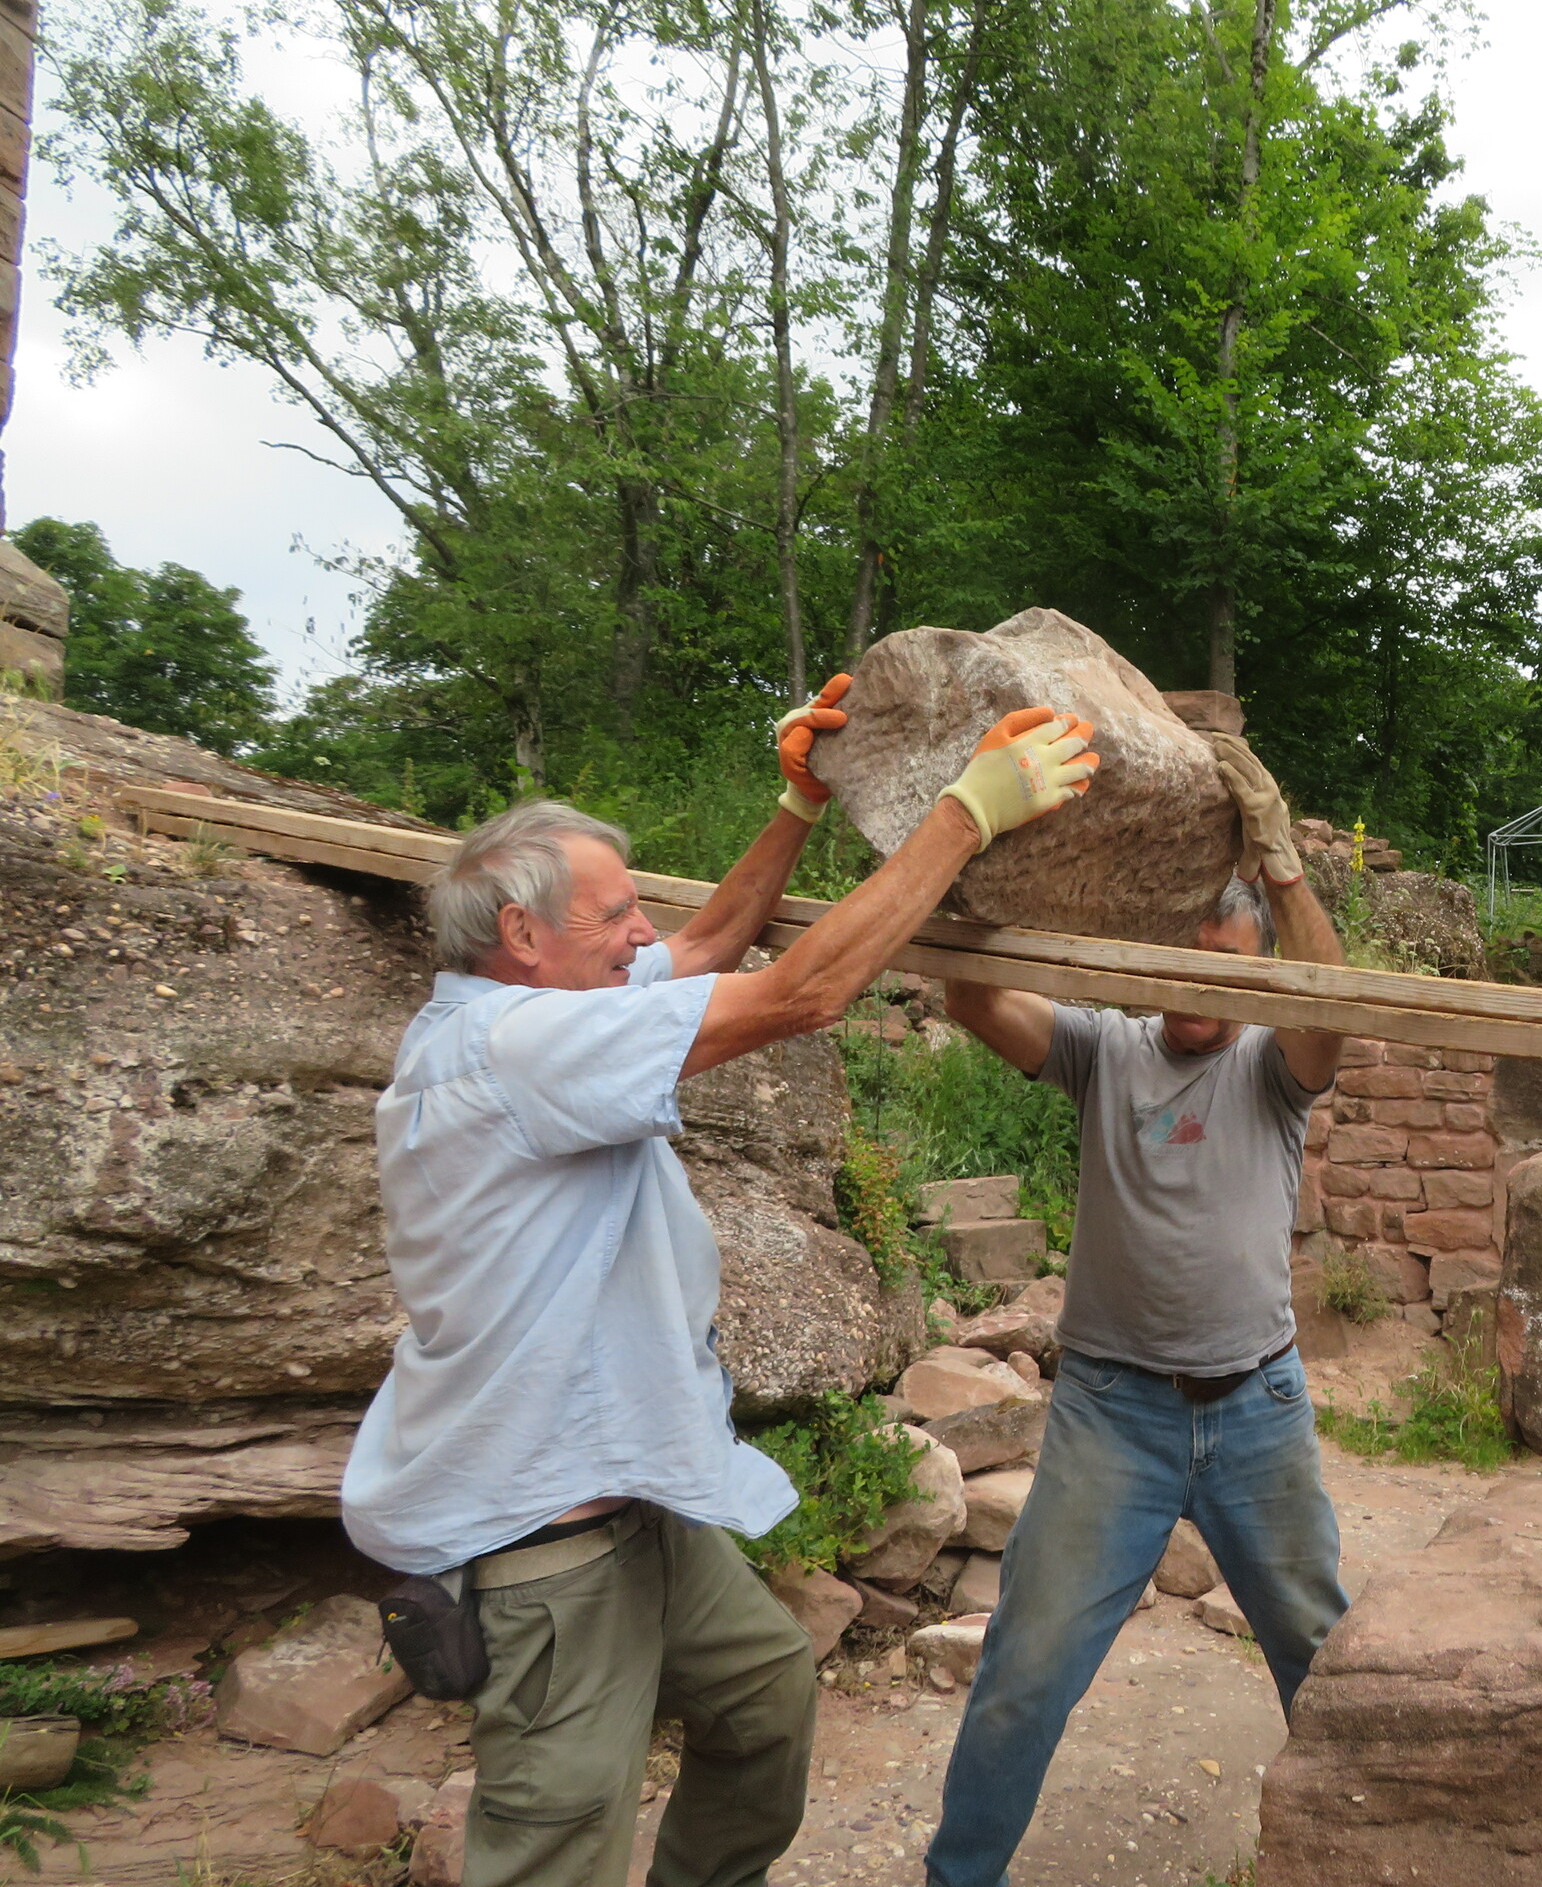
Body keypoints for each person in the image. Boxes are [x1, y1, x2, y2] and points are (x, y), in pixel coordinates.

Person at [341, 685, 1099, 1887]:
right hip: (544, 1537)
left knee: (762, 1694)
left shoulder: (559, 1001)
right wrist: (966, 813)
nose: (641, 928)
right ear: (520, 933)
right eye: (614, 913)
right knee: (557, 1838)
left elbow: (703, 950)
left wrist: (798, 804)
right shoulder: (514, 1048)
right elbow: (802, 993)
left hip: (631, 1493)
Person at [923, 732, 1347, 1887]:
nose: (1197, 993)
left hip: (1256, 1412)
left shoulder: (1273, 1066)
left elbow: (1332, 1007)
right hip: (1111, 1417)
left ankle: (1368, 1856)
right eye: (1181, 965)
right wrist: (998, 851)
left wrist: (1284, 865)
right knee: (1023, 1678)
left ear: (1257, 976)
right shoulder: (1102, 1050)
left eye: (1227, 973)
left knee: (1327, 1665)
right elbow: (971, 994)